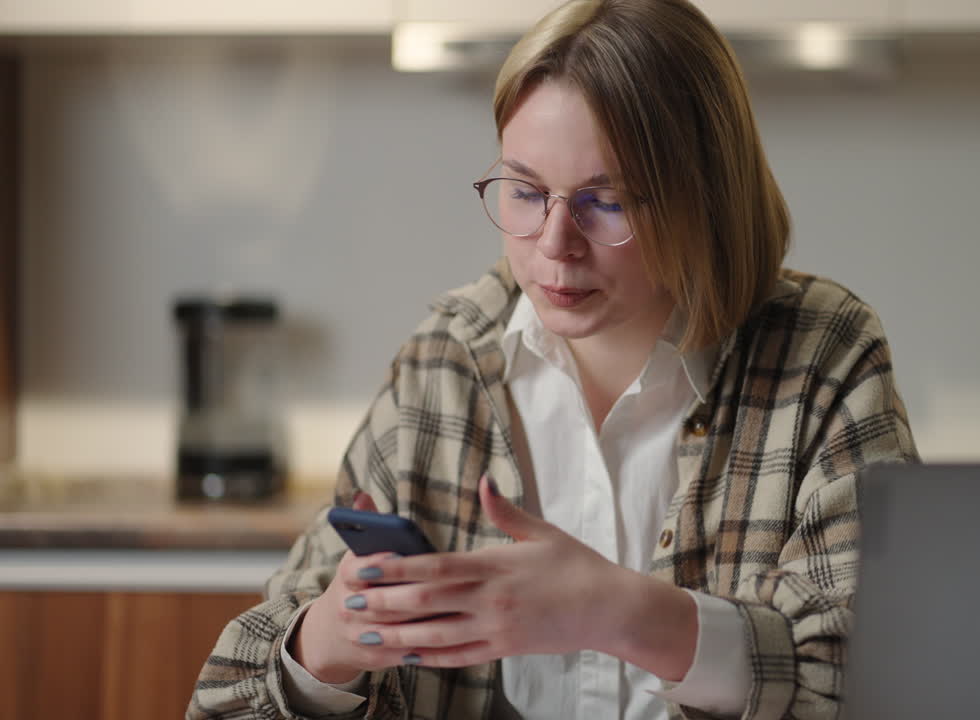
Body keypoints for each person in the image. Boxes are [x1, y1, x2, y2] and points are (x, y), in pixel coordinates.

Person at [187, 0, 917, 718]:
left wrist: (627, 615)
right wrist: (330, 640)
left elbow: (888, 681)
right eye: (526, 192)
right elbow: (225, 700)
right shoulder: (448, 360)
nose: (555, 244)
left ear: (707, 199)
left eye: (610, 201)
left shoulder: (824, 355)